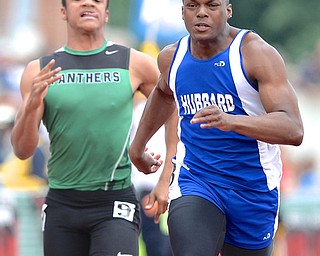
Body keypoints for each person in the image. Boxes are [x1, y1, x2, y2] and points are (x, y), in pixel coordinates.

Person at [129, 0, 304, 255]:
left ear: (228, 10)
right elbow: (164, 93)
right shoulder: (172, 58)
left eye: (211, 5)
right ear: (182, 12)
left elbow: (293, 128)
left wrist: (231, 121)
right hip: (197, 181)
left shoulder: (255, 53)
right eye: (192, 6)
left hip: (252, 190)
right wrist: (137, 148)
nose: (201, 12)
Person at [10, 0, 168, 255]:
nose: (88, 3)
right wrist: (31, 106)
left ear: (106, 13)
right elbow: (22, 150)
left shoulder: (133, 63)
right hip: (62, 203)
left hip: (114, 201)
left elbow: (172, 105)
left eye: (97, 0)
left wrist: (156, 166)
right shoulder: (39, 70)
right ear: (63, 11)